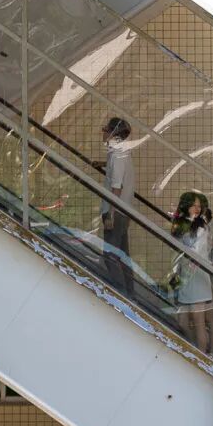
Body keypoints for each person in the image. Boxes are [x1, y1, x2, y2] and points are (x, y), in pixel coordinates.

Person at [172, 192, 213, 356]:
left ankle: (201, 356)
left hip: (197, 276)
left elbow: (196, 254)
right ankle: (198, 349)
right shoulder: (181, 224)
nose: (198, 209)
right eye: (194, 205)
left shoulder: (201, 228)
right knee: (182, 322)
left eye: (199, 206)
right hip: (185, 277)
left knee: (199, 321)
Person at [100, 117, 135, 297]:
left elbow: (117, 187)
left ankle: (121, 294)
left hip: (116, 211)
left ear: (113, 133)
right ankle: (130, 294)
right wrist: (102, 164)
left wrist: (111, 214)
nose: (103, 131)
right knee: (122, 256)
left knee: (110, 255)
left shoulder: (118, 155)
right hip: (123, 211)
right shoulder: (120, 152)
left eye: (106, 129)